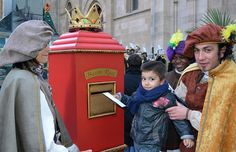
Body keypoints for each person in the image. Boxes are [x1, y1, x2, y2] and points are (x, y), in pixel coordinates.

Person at [0, 20, 91, 152]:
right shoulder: (28, 82)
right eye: (43, 45)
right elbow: (44, 144)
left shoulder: (16, 76)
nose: (49, 48)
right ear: (28, 48)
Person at [166, 23, 236, 152]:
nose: (200, 57)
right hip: (187, 146)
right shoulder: (190, 72)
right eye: (197, 50)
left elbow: (224, 127)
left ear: (222, 51)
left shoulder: (232, 79)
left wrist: (189, 114)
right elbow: (175, 102)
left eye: (207, 50)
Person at [115, 61, 194, 152]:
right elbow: (131, 101)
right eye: (144, 79)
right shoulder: (140, 93)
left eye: (151, 79)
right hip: (137, 137)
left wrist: (186, 135)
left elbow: (177, 117)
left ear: (162, 81)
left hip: (152, 142)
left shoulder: (165, 98)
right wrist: (122, 97)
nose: (146, 83)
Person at [162, 31, 193, 152]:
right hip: (168, 128)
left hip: (189, 128)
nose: (177, 61)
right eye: (174, 58)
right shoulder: (165, 76)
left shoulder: (195, 76)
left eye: (181, 58)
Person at [124, 53, 142, 152]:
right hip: (140, 114)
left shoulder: (123, 78)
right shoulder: (145, 80)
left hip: (126, 113)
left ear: (128, 64)